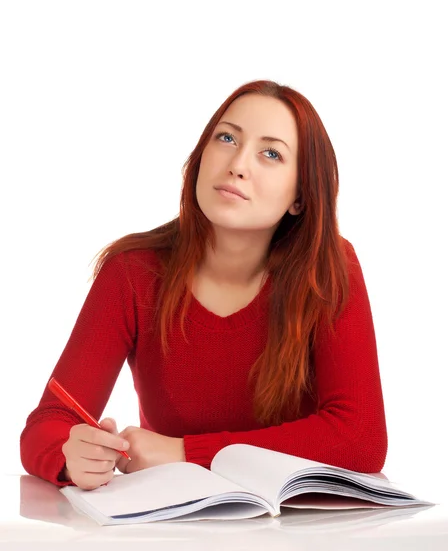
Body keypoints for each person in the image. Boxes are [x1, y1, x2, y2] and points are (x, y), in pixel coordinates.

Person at [20, 80, 388, 491]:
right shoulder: (133, 272)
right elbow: (46, 426)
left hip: (297, 531)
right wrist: (71, 457)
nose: (238, 164)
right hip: (174, 524)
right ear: (200, 157)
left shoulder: (329, 268)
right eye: (227, 138)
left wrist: (184, 453)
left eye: (271, 153)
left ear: (299, 197)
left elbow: (361, 439)